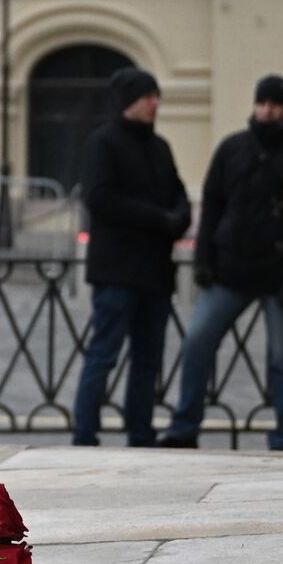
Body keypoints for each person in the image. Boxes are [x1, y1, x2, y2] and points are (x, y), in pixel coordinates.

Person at [158, 74, 283, 452]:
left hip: (282, 276)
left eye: (274, 103)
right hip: (229, 270)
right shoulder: (233, 148)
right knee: (197, 343)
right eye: (262, 102)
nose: (266, 110)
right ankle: (185, 426)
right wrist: (204, 258)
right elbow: (213, 204)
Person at [71, 67, 191, 447]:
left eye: (157, 96)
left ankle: (141, 432)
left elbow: (178, 192)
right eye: (148, 97)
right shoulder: (103, 143)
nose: (155, 103)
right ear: (129, 102)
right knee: (103, 355)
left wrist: (180, 217)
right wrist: (161, 219)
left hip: (155, 272)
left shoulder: (160, 147)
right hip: (117, 271)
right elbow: (101, 198)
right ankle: (85, 433)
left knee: (148, 360)